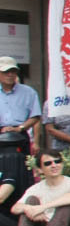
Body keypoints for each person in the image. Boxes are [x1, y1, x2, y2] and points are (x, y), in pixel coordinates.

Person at [0, 57, 41, 214]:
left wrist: (20, 128)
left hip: (20, 136)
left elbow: (35, 116)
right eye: (6, 72)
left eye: (13, 71)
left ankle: (22, 210)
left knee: (24, 175)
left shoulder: (28, 92)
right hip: (1, 135)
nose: (10, 75)